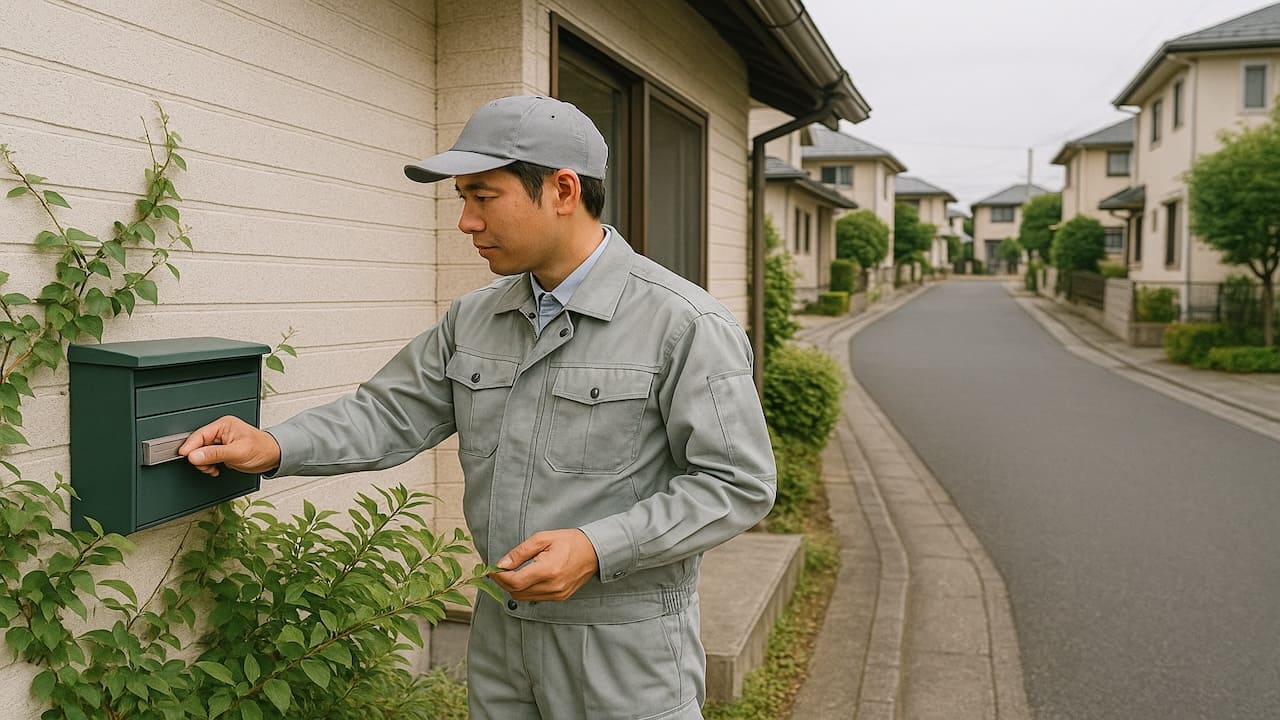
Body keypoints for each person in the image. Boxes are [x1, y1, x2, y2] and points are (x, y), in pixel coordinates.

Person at [178, 95, 776, 719]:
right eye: (462, 198)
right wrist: (273, 446)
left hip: (624, 648)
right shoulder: (475, 318)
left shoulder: (683, 323)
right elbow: (388, 412)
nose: (465, 221)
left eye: (483, 197)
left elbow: (737, 483)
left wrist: (598, 548)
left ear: (563, 190)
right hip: (501, 637)